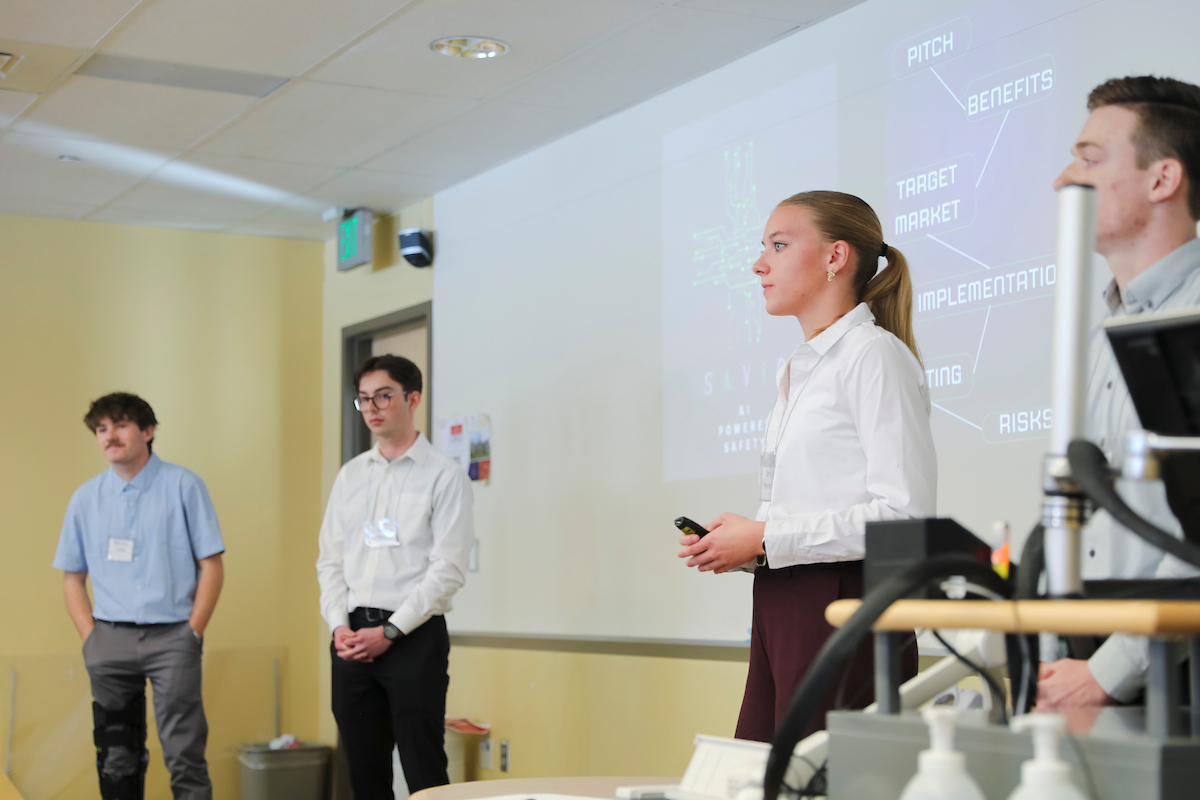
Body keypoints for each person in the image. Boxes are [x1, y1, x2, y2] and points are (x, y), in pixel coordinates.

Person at [678, 191, 937, 741]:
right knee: (763, 775)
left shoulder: (873, 356)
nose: (758, 263)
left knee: (821, 781)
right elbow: (807, 505)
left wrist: (768, 537)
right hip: (785, 601)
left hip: (844, 609)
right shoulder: (803, 367)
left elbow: (903, 519)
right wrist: (747, 545)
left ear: (835, 257)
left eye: (778, 245)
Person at [1037, 75, 1200, 709]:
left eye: (1089, 158)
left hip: (1171, 657)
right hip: (1094, 648)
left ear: (1163, 179)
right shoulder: (1102, 329)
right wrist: (1057, 652)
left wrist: (1108, 672)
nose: (1062, 181)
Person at [317, 355, 475, 797]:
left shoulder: (443, 477)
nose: (372, 407)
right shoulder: (350, 476)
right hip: (351, 641)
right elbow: (329, 560)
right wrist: (339, 627)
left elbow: (447, 569)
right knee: (363, 773)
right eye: (364, 399)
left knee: (424, 769)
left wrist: (390, 629)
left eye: (384, 395)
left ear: (413, 398)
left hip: (413, 639)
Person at [54, 393, 225, 800]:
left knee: (184, 753)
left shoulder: (184, 486)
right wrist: (90, 637)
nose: (110, 436)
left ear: (148, 432)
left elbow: (212, 567)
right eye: (101, 429)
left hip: (172, 639)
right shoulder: (85, 499)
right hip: (109, 640)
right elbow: (72, 578)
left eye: (121, 425)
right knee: (116, 755)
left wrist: (193, 632)